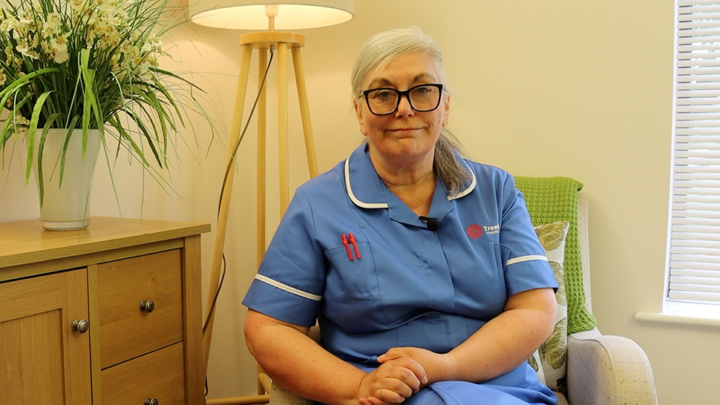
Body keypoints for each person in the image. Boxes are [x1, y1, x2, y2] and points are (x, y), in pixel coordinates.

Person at [243, 26, 559, 405]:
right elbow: (268, 328)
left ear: (445, 107)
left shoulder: (497, 191)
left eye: (423, 89)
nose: (404, 108)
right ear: (360, 113)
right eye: (383, 94)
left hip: (495, 388)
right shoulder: (318, 204)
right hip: (384, 393)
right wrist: (359, 386)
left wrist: (445, 366)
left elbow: (536, 308)